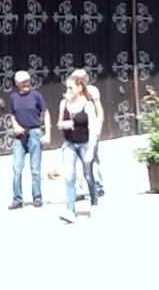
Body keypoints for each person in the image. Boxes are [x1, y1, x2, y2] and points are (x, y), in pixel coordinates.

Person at [57, 75, 98, 223]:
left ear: (79, 88)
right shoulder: (64, 103)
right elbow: (59, 124)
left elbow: (93, 128)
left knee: (88, 176)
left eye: (71, 88)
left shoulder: (87, 105)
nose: (68, 91)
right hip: (69, 144)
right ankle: (70, 210)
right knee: (69, 177)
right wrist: (65, 124)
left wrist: (91, 150)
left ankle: (94, 203)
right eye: (66, 88)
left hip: (85, 144)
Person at [8, 70, 50, 209]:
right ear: (17, 83)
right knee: (17, 169)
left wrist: (46, 132)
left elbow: (45, 113)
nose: (26, 84)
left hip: (34, 133)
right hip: (19, 136)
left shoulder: (36, 95)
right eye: (23, 82)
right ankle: (17, 199)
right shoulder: (13, 97)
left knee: (35, 169)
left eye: (27, 81)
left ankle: (37, 197)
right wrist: (15, 126)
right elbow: (12, 114)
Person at [70, 68, 104, 198]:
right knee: (78, 161)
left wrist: (99, 125)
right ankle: (79, 190)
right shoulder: (72, 92)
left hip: (91, 129)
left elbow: (99, 110)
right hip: (77, 131)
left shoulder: (92, 91)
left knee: (92, 158)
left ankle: (98, 185)